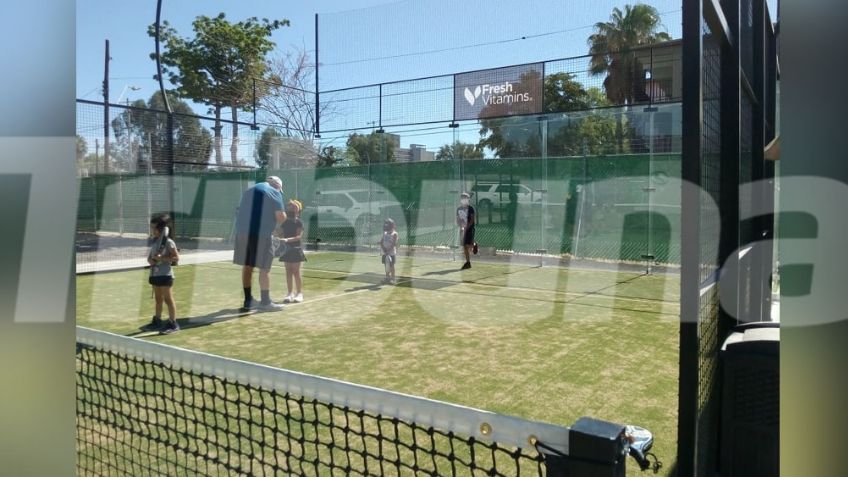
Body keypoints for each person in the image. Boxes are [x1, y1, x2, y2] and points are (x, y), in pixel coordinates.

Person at [233, 176, 287, 312]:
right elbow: (281, 217)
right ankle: (266, 301)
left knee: (248, 265)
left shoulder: (250, 190)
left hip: (241, 233)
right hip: (261, 235)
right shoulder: (274, 191)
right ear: (278, 186)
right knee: (264, 268)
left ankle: (248, 300)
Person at [140, 214, 180, 334]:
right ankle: (157, 321)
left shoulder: (169, 242)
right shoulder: (155, 241)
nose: (152, 230)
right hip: (155, 275)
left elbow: (176, 258)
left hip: (166, 276)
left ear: (161, 229)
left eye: (154, 228)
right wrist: (150, 260)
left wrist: (162, 257)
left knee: (168, 299)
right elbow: (150, 257)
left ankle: (173, 323)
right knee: (158, 299)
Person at [278, 199, 306, 303]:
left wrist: (286, 239)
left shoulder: (299, 222)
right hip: (286, 249)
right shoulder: (285, 221)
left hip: (296, 249)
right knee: (288, 271)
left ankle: (299, 293)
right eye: (290, 206)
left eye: (294, 206)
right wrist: (278, 235)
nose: (291, 207)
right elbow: (280, 232)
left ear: (298, 209)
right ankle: (290, 293)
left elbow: (298, 237)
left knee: (296, 271)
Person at [456, 192, 476, 269]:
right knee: (464, 246)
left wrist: (467, 227)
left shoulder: (471, 208)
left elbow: (472, 219)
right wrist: (460, 226)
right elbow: (458, 219)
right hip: (462, 229)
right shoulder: (459, 209)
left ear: (468, 200)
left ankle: (474, 245)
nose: (464, 200)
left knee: (468, 245)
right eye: (462, 198)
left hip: (470, 229)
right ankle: (468, 263)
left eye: (465, 198)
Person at [380, 218, 398, 284]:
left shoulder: (394, 234)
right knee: (386, 265)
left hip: (391, 253)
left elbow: (394, 243)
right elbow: (381, 242)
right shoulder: (384, 233)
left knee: (391, 265)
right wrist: (384, 248)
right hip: (385, 252)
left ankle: (393, 279)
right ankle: (387, 278)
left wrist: (388, 250)